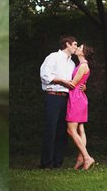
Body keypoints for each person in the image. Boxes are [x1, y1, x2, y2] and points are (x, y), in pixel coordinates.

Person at [39, 35, 79, 169]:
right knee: (50, 129)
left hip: (67, 98)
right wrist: (62, 81)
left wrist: (81, 86)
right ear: (67, 44)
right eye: (74, 44)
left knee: (63, 130)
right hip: (53, 97)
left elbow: (74, 82)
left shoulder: (72, 63)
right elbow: (45, 75)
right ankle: (45, 163)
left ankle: (58, 162)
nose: (76, 47)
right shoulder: (53, 57)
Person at [66, 44, 95, 170]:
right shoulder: (82, 65)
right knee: (80, 129)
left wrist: (54, 80)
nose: (77, 48)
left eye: (80, 48)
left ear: (83, 53)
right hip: (80, 97)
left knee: (71, 130)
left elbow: (73, 84)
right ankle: (80, 159)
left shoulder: (83, 66)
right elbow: (80, 82)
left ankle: (87, 158)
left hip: (76, 98)